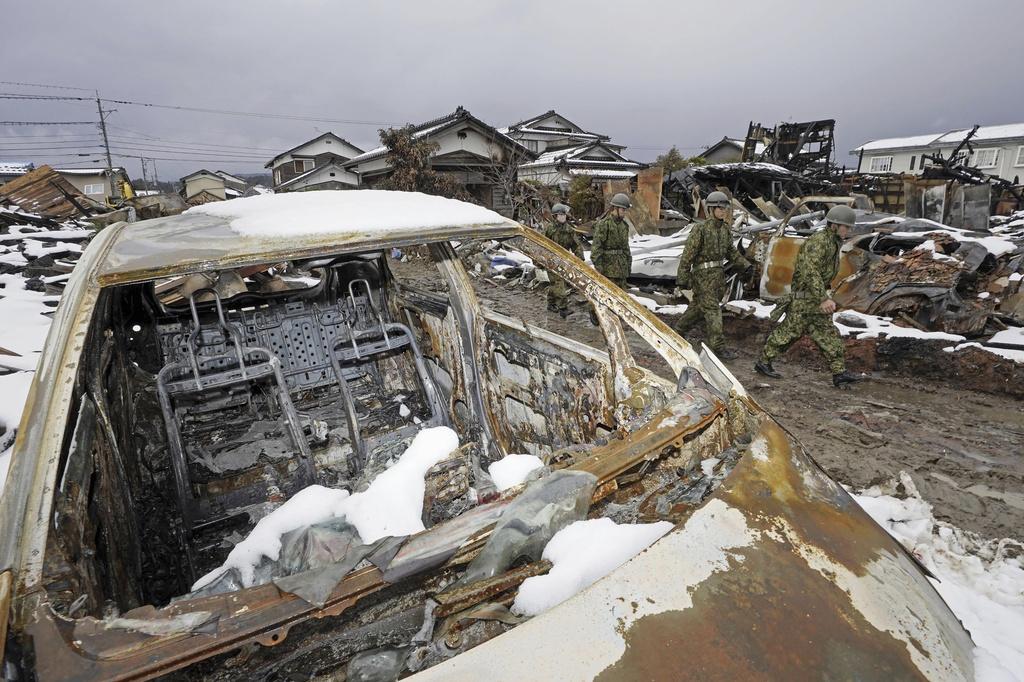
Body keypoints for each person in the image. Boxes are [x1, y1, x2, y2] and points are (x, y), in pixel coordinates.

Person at [755, 204, 862, 389]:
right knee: (789, 333)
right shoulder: (820, 241)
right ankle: (763, 362)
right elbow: (810, 272)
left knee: (827, 334)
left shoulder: (833, 242)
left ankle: (839, 373)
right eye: (846, 227)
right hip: (805, 299)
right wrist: (823, 298)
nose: (848, 230)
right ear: (834, 225)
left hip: (813, 298)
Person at [672, 191, 750, 360]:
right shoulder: (700, 229)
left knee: (698, 308)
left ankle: (677, 331)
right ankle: (718, 347)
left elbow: (731, 252)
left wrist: (746, 266)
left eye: (725, 208)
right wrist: (682, 278)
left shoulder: (725, 230)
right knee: (713, 310)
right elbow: (688, 255)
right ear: (712, 209)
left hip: (718, 277)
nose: (723, 211)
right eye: (720, 208)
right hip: (703, 277)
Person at [543, 203, 583, 317]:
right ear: (555, 216)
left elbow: (576, 245)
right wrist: (540, 261)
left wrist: (580, 259)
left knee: (555, 283)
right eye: (560, 215)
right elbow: (542, 244)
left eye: (564, 215)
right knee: (559, 283)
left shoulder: (569, 230)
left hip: (563, 261)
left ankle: (550, 303)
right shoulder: (549, 229)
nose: (562, 217)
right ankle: (563, 308)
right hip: (551, 260)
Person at [590, 193, 632, 290]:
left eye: (625, 210)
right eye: (623, 210)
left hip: (622, 270)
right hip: (608, 270)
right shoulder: (604, 224)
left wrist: (628, 265)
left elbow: (626, 248)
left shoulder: (624, 226)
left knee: (622, 298)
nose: (624, 212)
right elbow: (596, 248)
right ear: (615, 208)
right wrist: (599, 269)